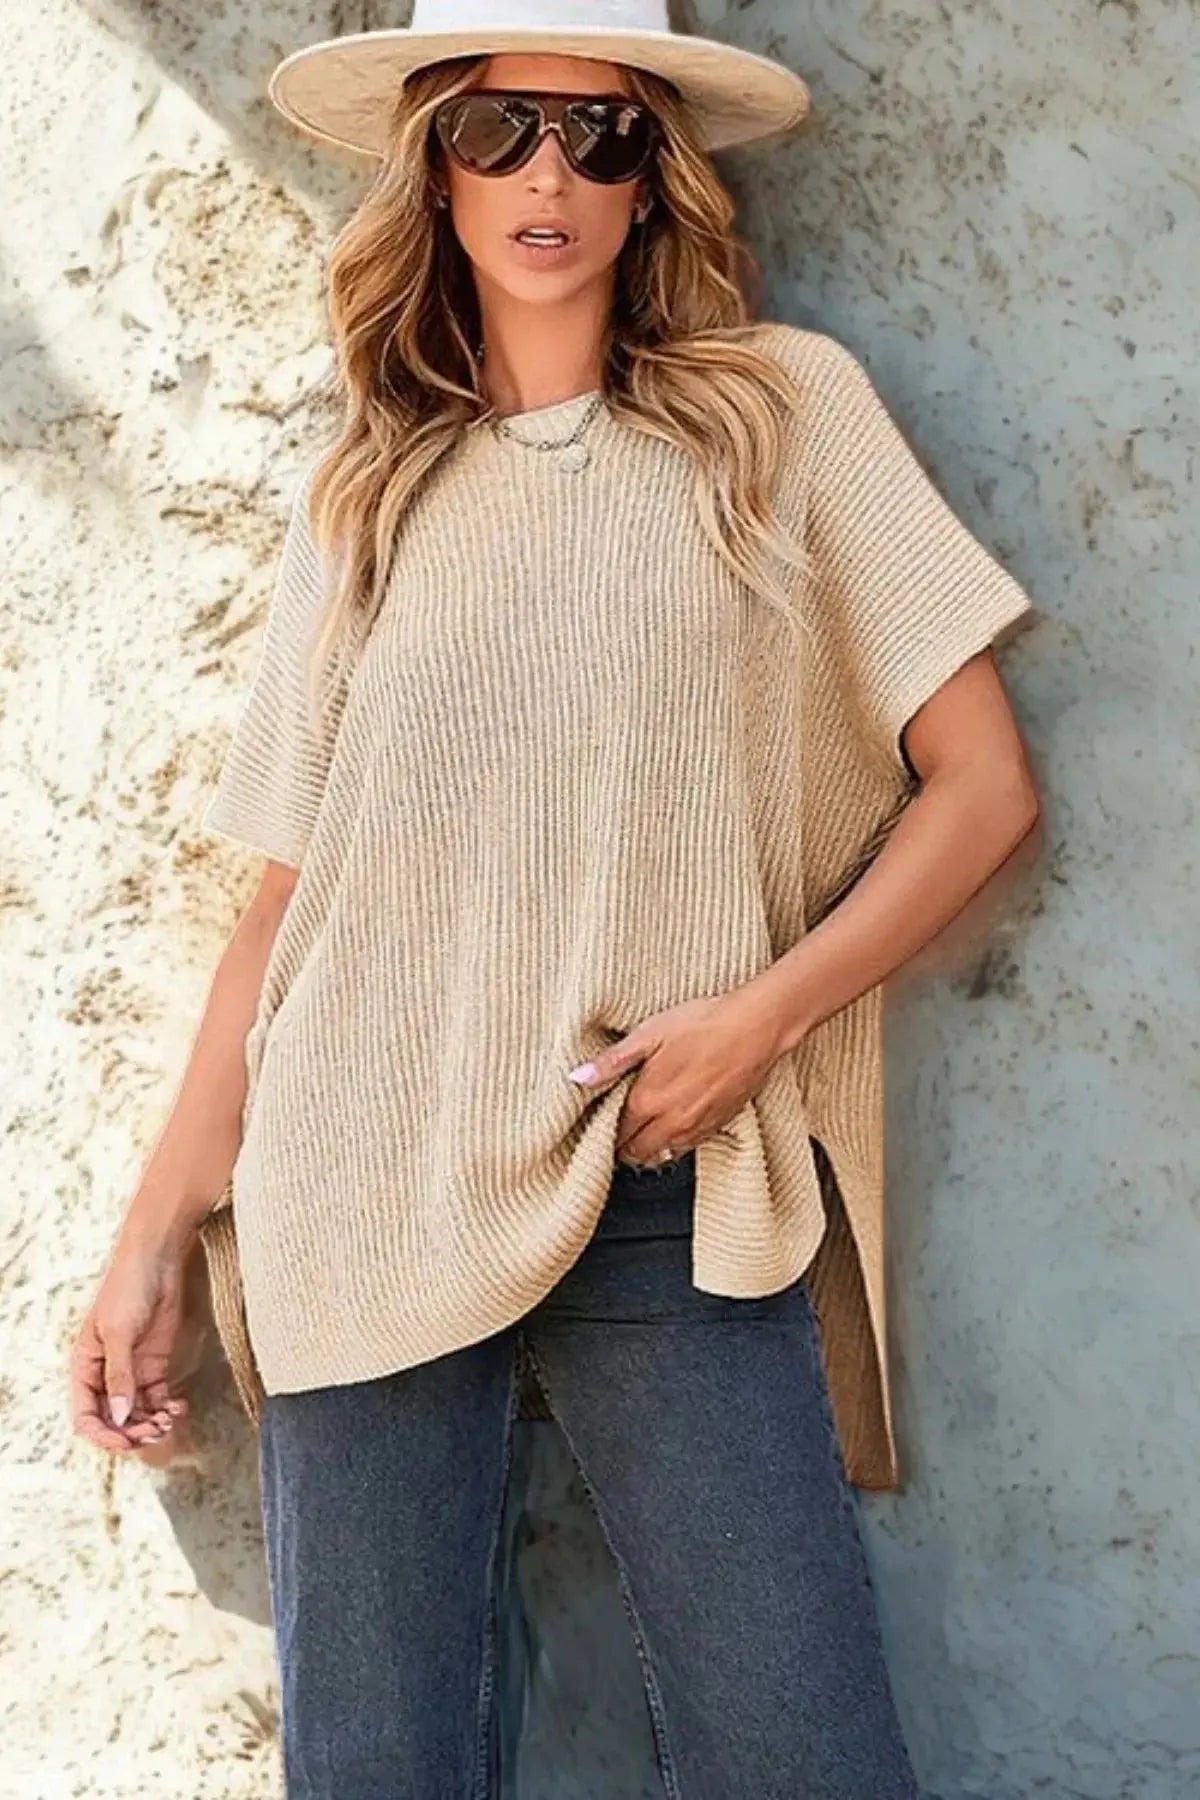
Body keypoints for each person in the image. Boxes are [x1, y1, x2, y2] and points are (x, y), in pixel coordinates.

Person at [69, 2, 1042, 1793]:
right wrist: (151, 1243)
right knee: (383, 1771)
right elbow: (288, 906)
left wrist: (764, 1018)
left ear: (654, 178)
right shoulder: (367, 495)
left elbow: (983, 789)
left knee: (805, 1755)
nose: (549, 173)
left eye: (601, 136)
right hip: (358, 1185)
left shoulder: (781, 416)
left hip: (666, 1177)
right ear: (435, 167)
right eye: (498, 128)